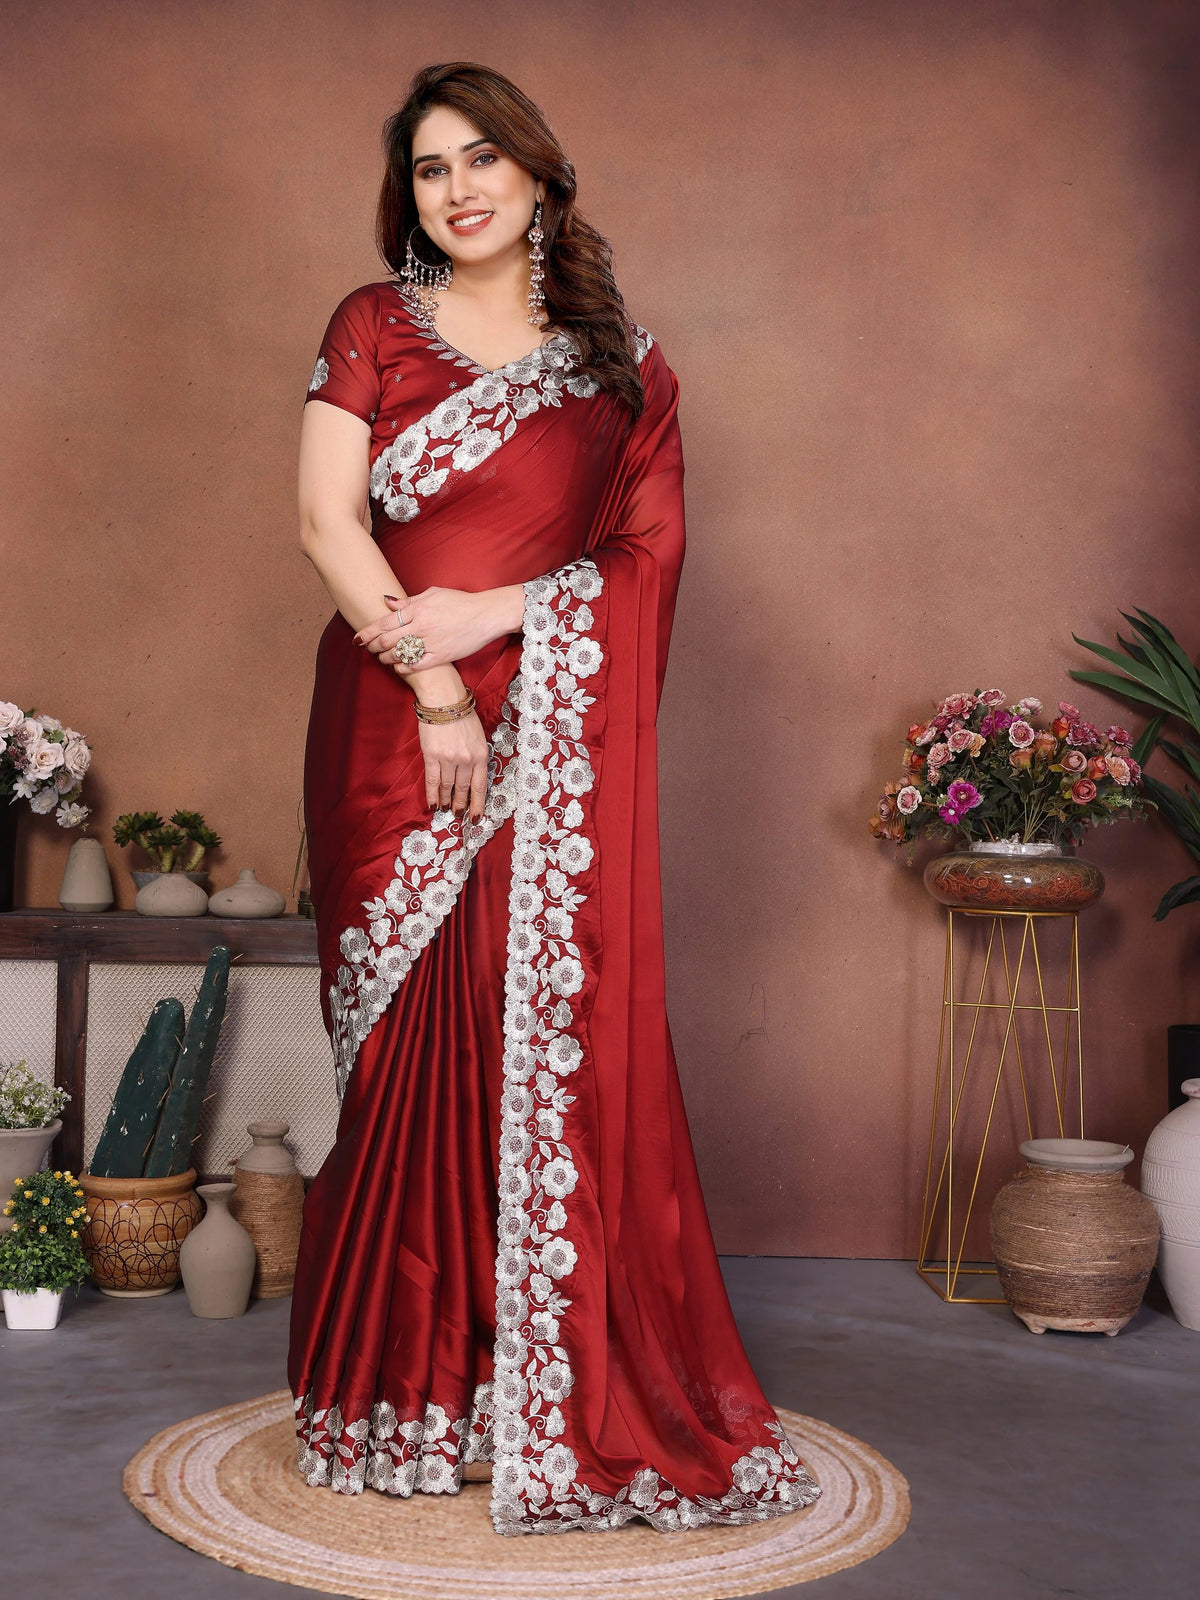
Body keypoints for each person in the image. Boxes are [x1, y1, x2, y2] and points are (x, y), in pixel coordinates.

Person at [288, 60, 820, 1537]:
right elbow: (328, 521)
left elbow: (648, 567)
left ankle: (517, 1378)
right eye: (429, 168)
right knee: (414, 1038)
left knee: (528, 1029)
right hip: (394, 724)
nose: (455, 189)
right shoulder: (370, 327)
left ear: (540, 177)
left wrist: (501, 611)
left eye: (482, 161)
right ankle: (401, 1388)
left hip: (552, 735)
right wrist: (440, 679)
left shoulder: (620, 367)